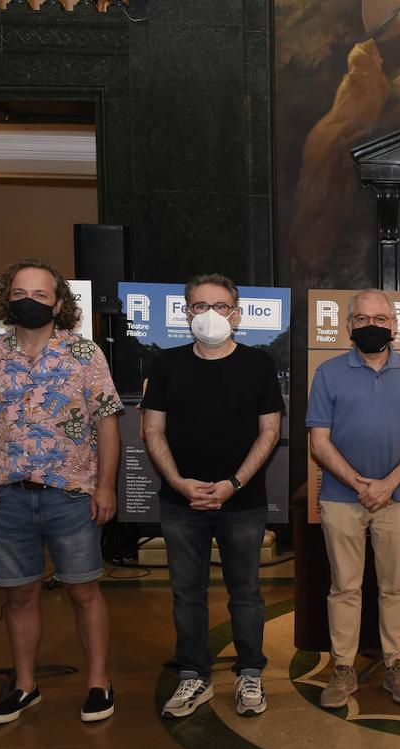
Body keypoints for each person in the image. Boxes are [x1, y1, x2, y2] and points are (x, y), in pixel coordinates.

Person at [0, 258, 122, 725]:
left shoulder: (85, 355)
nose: (28, 302)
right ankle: (25, 685)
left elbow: (107, 423)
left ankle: (98, 683)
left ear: (58, 302)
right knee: (19, 595)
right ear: (5, 298)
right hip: (7, 494)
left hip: (71, 492)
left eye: (39, 294)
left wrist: (106, 486)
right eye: (19, 294)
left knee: (84, 591)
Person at [142, 274, 284, 719]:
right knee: (187, 594)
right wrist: (181, 483)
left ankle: (250, 675)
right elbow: (152, 430)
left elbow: (270, 430)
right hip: (180, 503)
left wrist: (233, 484)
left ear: (237, 314)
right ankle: (193, 676)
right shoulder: (165, 364)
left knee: (246, 594)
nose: (210, 315)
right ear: (185, 313)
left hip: (241, 502)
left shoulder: (259, 365)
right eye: (200, 306)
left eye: (220, 307)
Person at [307, 289, 400, 708]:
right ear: (348, 327)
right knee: (344, 587)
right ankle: (343, 669)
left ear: (394, 325)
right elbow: (318, 442)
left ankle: (396, 664)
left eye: (380, 318)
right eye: (362, 320)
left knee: (395, 588)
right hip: (340, 498)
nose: (371, 326)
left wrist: (388, 484)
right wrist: (360, 483)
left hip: (399, 499)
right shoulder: (327, 373)